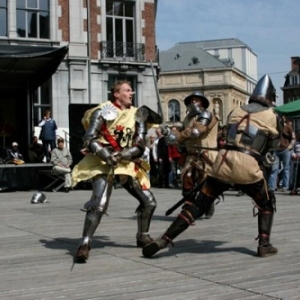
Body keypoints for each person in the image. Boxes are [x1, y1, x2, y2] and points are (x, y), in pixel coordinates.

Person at [142, 74, 282, 258]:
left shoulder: (236, 112)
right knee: (266, 203)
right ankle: (264, 244)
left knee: (197, 206)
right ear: (270, 98)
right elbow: (274, 146)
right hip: (247, 166)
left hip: (221, 163)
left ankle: (164, 239)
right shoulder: (272, 116)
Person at [71, 80, 161, 262]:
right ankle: (85, 243)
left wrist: (123, 155)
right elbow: (89, 138)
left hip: (126, 162)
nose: (131, 93)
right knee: (99, 204)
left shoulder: (139, 114)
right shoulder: (102, 111)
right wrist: (106, 154)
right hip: (102, 162)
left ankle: (143, 236)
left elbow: (140, 145)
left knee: (149, 201)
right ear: (116, 94)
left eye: (131, 90)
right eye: (127, 90)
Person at [165, 91, 219, 218]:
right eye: (191, 100)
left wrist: (178, 136)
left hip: (205, 155)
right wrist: (171, 135)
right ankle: (188, 207)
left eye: (196, 100)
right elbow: (185, 134)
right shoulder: (187, 119)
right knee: (187, 182)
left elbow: (196, 131)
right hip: (191, 155)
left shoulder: (208, 115)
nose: (193, 102)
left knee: (204, 184)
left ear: (202, 103)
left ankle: (208, 204)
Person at [268, 116, 295, 192]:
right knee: (274, 169)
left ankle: (285, 186)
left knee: (286, 169)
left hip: (285, 150)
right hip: (276, 150)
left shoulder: (288, 127)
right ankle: (271, 186)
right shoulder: (274, 127)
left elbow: (293, 138)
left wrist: (289, 147)